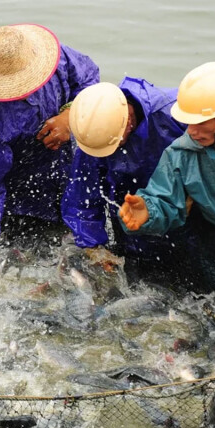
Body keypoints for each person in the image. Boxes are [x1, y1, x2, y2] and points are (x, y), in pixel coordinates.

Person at [119, 62, 215, 321]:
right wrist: (147, 213)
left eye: (200, 123)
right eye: (188, 123)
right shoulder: (180, 154)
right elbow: (163, 201)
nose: (192, 132)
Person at [0, 24, 99, 275]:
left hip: (65, 175)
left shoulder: (57, 58)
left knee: (76, 246)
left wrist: (70, 115)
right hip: (19, 200)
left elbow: (90, 79)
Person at [62, 79, 191, 283]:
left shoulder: (177, 113)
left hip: (184, 221)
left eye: (112, 145)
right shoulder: (93, 131)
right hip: (130, 227)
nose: (107, 153)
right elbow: (82, 200)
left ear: (128, 120)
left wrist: (190, 200)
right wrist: (94, 248)